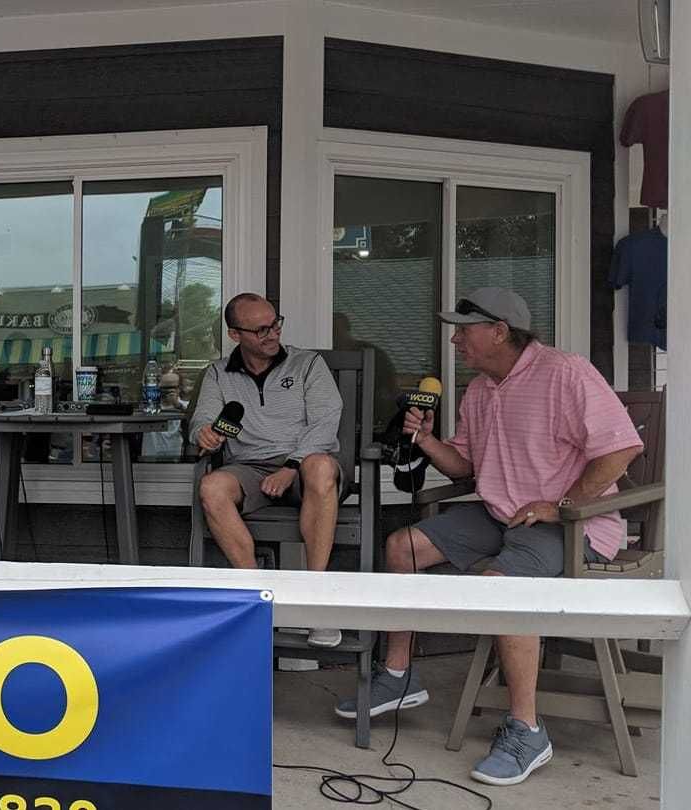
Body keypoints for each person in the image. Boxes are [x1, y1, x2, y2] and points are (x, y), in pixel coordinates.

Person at [335, 287, 642, 787]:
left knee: (501, 586)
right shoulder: (480, 390)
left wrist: (563, 506)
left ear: (499, 331)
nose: (455, 341)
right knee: (402, 547)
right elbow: (466, 466)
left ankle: (527, 730)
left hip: (571, 524)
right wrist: (426, 440)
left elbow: (621, 449)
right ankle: (398, 675)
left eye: (464, 331)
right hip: (501, 514)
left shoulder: (566, 372)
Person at [188, 293, 346, 647]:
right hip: (250, 468)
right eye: (261, 330)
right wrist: (204, 432)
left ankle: (316, 600)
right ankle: (261, 598)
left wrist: (291, 466)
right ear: (235, 334)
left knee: (320, 466)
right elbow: (202, 419)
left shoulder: (307, 364)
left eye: (275, 324)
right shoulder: (217, 373)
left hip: (304, 464)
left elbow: (325, 423)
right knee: (212, 487)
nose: (273, 334)